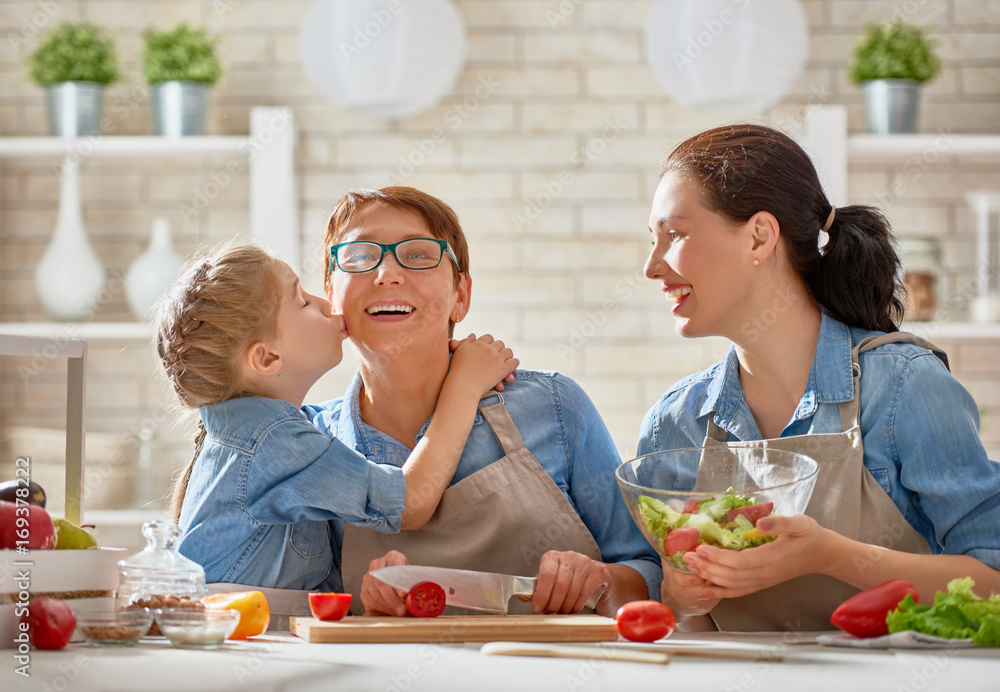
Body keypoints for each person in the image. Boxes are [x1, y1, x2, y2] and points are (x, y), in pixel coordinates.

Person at [639, 123, 1000, 631]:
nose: (652, 267)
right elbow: (667, 615)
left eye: (674, 235)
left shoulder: (903, 389)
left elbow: (993, 576)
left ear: (759, 236)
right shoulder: (674, 424)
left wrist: (829, 555)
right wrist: (681, 592)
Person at [307, 186, 661, 616]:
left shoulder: (556, 408)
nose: (386, 274)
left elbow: (652, 573)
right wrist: (357, 608)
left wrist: (601, 582)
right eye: (360, 257)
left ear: (462, 295)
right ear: (330, 291)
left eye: (418, 255)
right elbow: (292, 608)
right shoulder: (310, 444)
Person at [155, 244, 518, 591]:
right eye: (302, 301)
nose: (325, 303)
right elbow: (410, 503)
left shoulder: (255, 433)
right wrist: (464, 387)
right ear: (266, 359)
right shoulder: (275, 442)